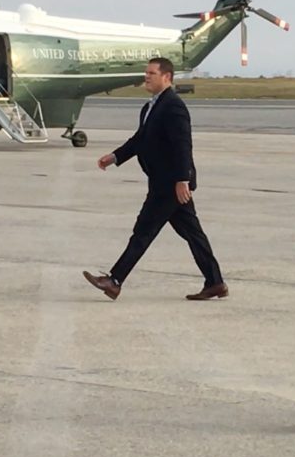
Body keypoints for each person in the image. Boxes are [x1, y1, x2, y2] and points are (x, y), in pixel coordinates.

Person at [82, 57, 226, 301]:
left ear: (166, 77)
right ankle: (215, 282)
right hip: (164, 181)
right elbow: (140, 139)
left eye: (151, 73)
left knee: (143, 231)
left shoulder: (174, 106)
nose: (146, 76)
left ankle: (114, 281)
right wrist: (115, 157)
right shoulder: (151, 107)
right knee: (193, 234)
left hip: (169, 184)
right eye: (146, 73)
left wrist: (182, 180)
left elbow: (183, 146)